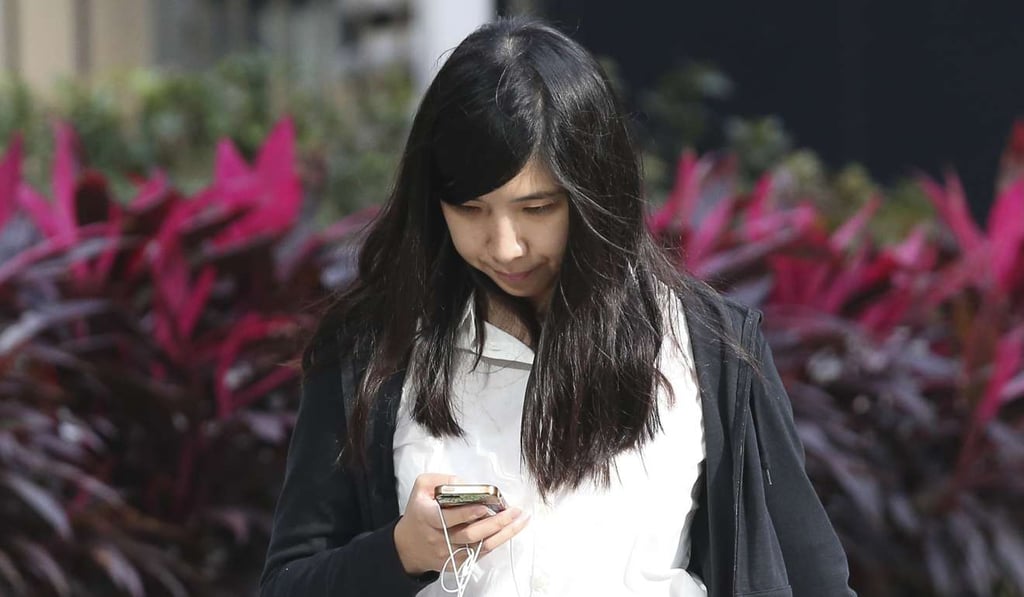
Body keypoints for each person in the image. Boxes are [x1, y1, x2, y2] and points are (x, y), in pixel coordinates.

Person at [259, 16, 855, 597]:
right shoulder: (372, 349)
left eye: (537, 208)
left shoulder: (710, 349)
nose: (505, 245)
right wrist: (401, 552)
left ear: (596, 193)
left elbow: (814, 578)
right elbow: (287, 582)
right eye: (469, 208)